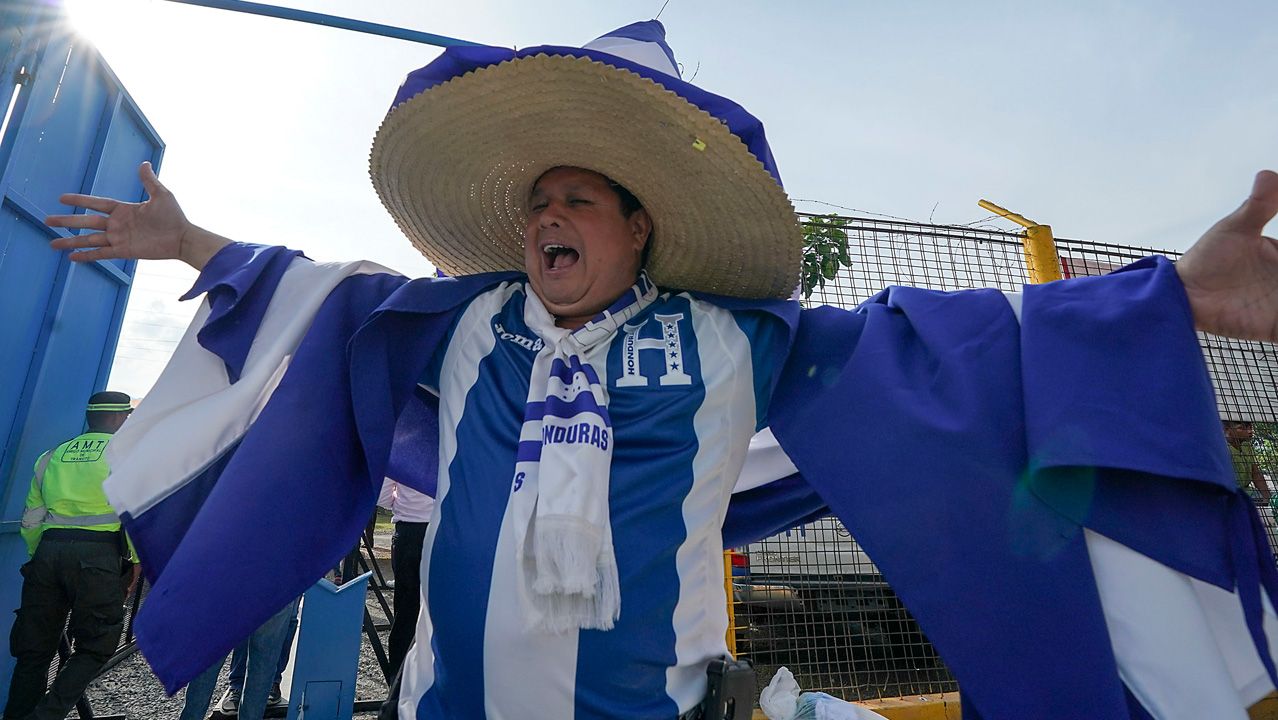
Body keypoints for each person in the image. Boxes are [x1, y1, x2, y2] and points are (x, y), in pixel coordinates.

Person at [43, 21, 1278, 720]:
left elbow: (951, 351)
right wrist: (191, 241)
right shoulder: (465, 326)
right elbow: (322, 301)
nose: (544, 218)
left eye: (575, 199)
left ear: (639, 227)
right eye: (534, 204)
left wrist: (1172, 296)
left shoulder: (738, 343)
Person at [4, 392, 139, 720]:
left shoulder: (50, 457)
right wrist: (134, 561)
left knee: (33, 652)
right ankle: (45, 716)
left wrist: (39, 556)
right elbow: (135, 515)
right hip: (98, 557)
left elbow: (31, 519)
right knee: (95, 646)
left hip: (48, 553)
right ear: (119, 418)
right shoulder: (127, 456)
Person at [177, 598, 300, 720]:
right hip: (277, 590)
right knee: (262, 666)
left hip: (233, 588)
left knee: (210, 660)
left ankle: (191, 716)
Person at [375, 479, 434, 720]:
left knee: (405, 614)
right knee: (437, 611)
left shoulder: (406, 441)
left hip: (408, 529)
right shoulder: (448, 442)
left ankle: (396, 689)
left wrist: (403, 505)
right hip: (440, 527)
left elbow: (382, 492)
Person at [1226, 420, 1273, 504]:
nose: (1249, 431)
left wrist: (1268, 499)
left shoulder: (1246, 446)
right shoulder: (1222, 449)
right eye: (1241, 428)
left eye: (1250, 428)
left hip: (1248, 492)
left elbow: (1256, 474)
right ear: (1227, 431)